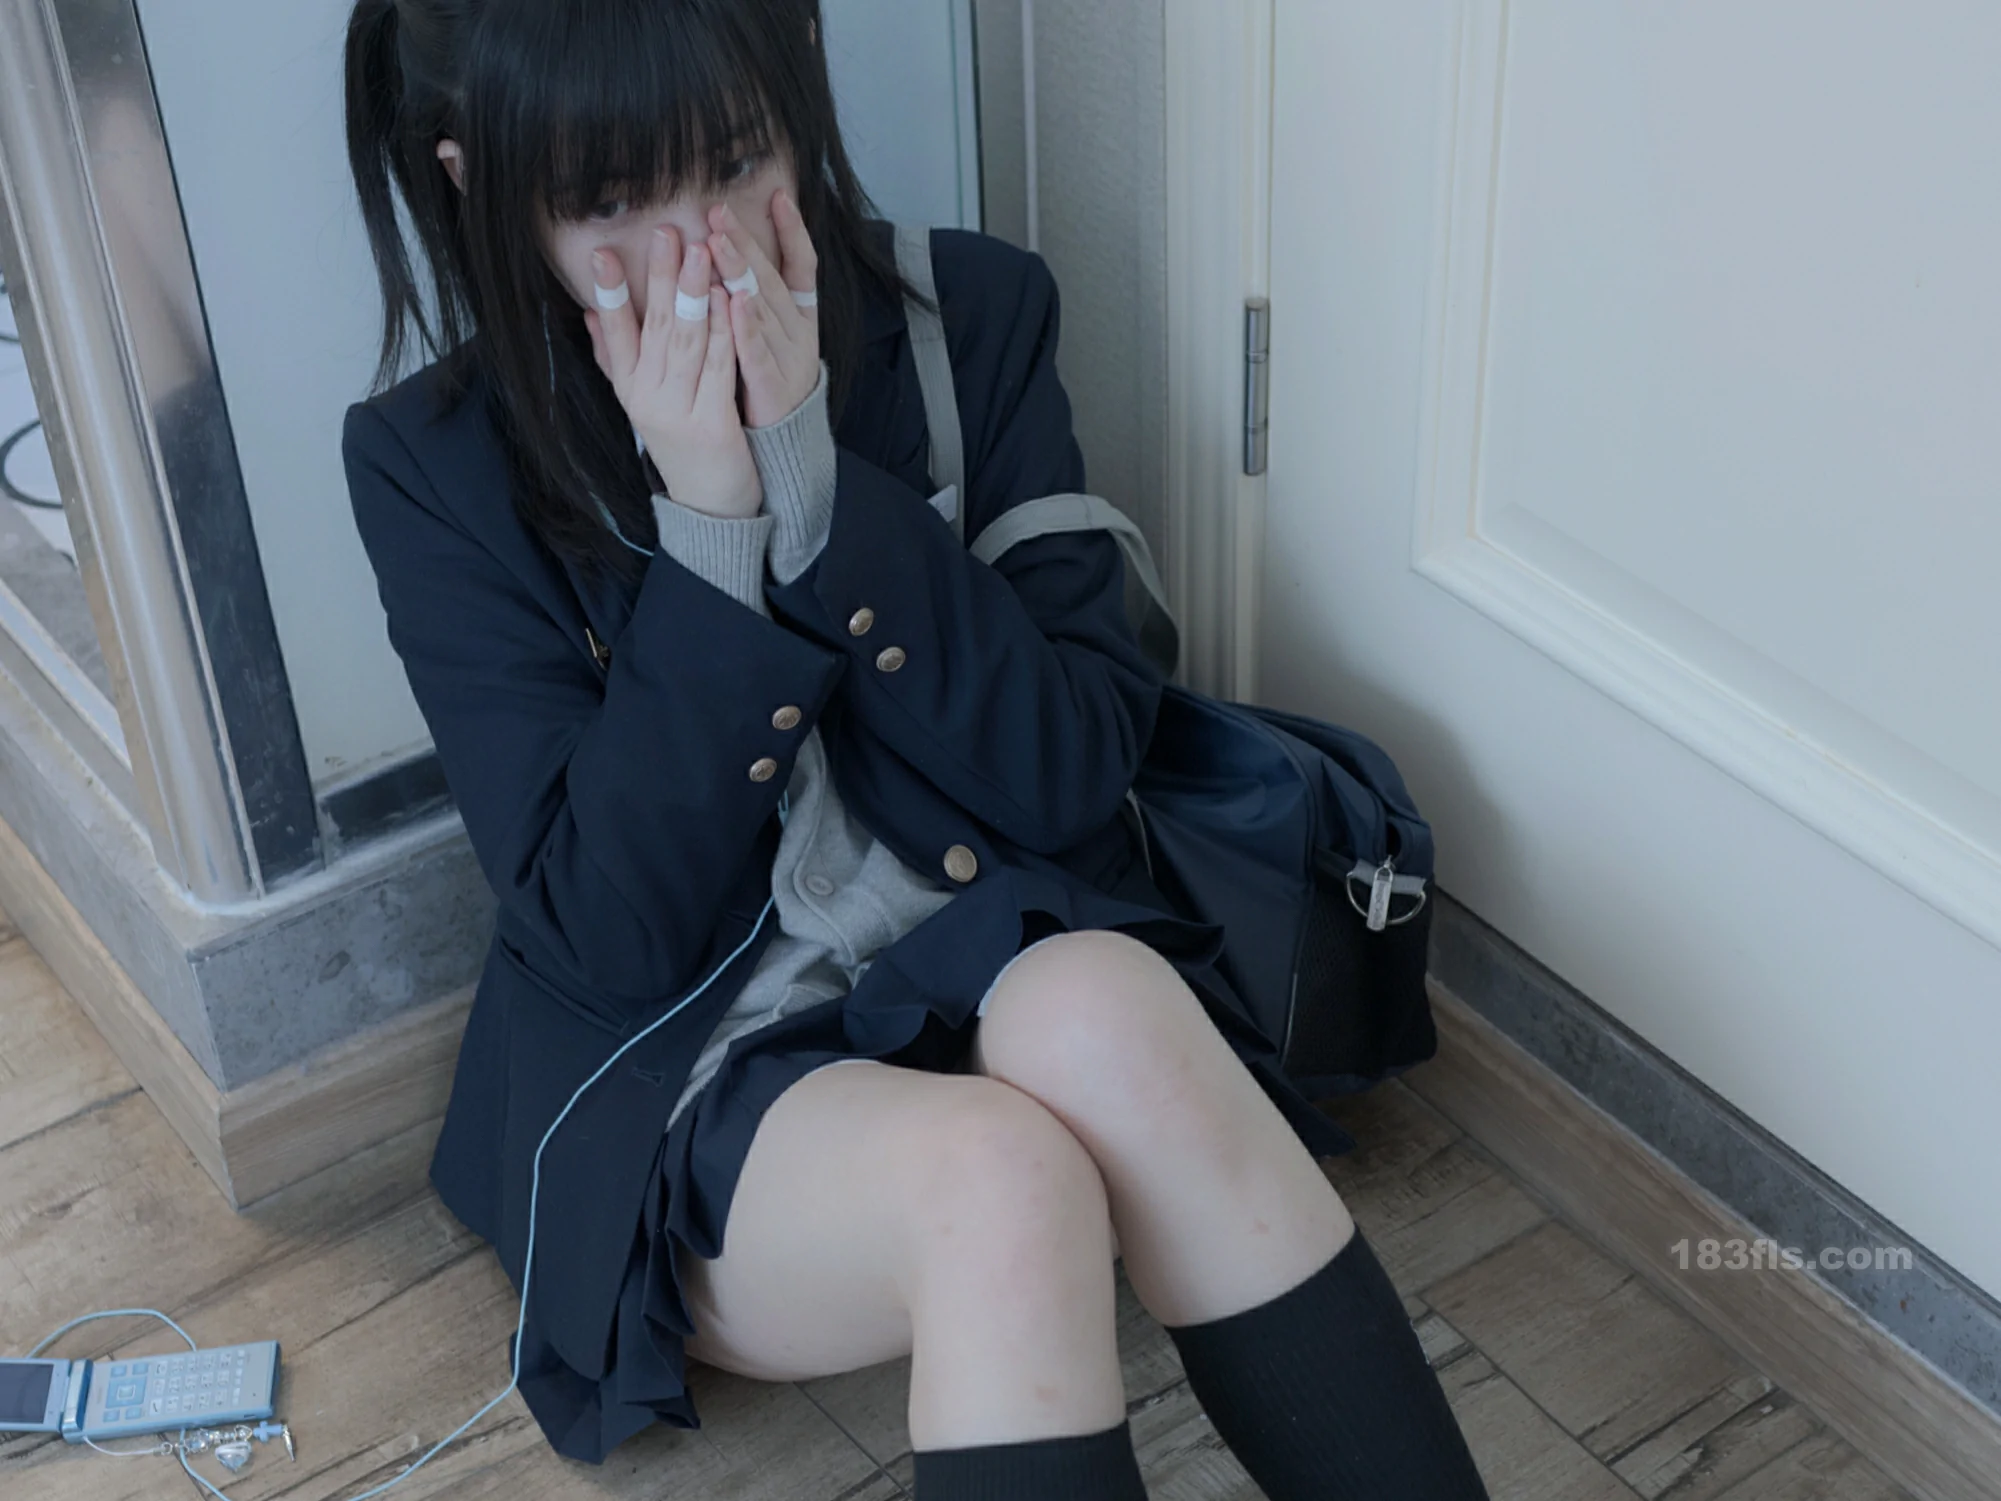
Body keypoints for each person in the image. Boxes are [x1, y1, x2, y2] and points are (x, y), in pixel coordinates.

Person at [339, 2, 1491, 1496]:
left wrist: (812, 471)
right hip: (708, 1055)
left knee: (1116, 1017)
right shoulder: (436, 464)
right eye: (612, 200)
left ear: (800, 83)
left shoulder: (969, 320)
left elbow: (1070, 776)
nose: (700, 255)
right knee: (999, 1184)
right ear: (480, 184)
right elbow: (607, 938)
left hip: (992, 939)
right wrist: (711, 533)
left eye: (734, 160)